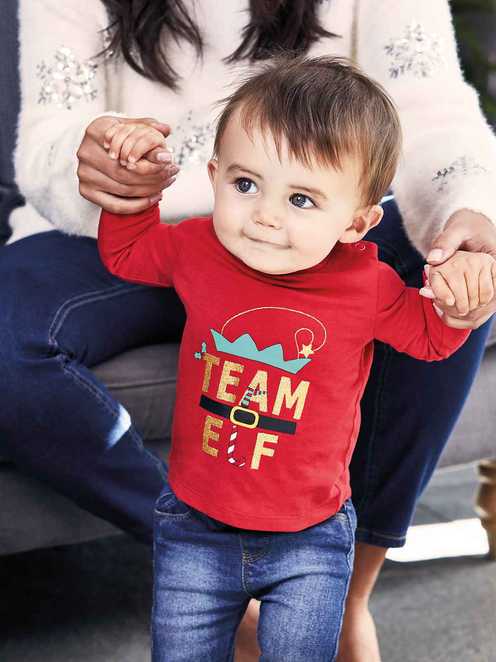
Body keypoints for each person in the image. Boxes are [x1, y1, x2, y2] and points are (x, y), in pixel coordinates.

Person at [4, 1, 496, 660]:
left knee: (453, 267)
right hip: (138, 225)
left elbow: (432, 109)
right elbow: (51, 129)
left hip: (319, 230)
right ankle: (224, 569)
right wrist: (97, 159)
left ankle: (340, 589)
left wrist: (469, 215)